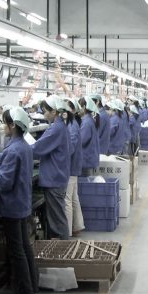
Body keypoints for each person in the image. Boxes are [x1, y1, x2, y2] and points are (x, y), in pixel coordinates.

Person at [0, 108, 38, 294]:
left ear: (12, 125)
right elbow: (13, 160)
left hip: (12, 206)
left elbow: (4, 182)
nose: (2, 126)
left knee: (16, 250)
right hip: (22, 203)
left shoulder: (14, 150)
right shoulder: (23, 146)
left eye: (4, 123)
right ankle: (33, 287)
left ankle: (24, 293)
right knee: (24, 246)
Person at [32, 96, 70, 240]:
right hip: (57, 176)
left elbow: (37, 148)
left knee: (58, 220)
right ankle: (61, 249)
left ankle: (64, 250)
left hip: (54, 179)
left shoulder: (56, 129)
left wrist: (18, 150)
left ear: (54, 111)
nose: (44, 114)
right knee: (56, 217)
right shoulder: (60, 126)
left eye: (45, 111)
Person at [64, 98, 84, 238]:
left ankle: (67, 232)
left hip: (70, 167)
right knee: (74, 198)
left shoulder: (72, 126)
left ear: (72, 110)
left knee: (67, 200)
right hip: (74, 166)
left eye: (65, 109)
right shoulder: (73, 124)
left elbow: (69, 148)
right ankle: (77, 226)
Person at [79, 96, 100, 176]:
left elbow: (81, 141)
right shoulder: (89, 119)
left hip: (86, 161)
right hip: (90, 159)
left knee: (86, 185)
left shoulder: (86, 122)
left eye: (79, 106)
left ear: (84, 107)